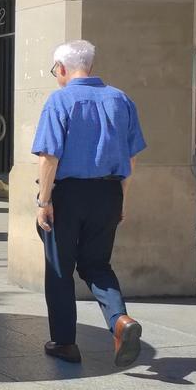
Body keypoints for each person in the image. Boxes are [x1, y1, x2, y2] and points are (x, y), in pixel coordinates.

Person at [32, 40, 145, 367]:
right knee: (97, 264)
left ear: (63, 68)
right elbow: (132, 158)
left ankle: (65, 343)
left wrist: (44, 201)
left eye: (55, 70)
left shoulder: (60, 101)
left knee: (59, 269)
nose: (56, 76)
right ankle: (120, 321)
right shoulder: (121, 100)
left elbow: (49, 158)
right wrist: (121, 197)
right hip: (108, 193)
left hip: (67, 195)